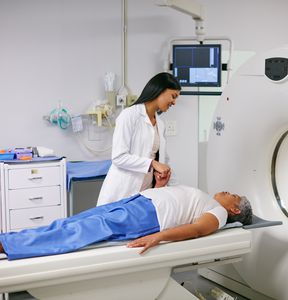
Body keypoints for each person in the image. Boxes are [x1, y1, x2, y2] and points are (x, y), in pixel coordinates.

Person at [0, 174, 253, 260]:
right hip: (141, 203)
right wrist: (160, 185)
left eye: (233, 195)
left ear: (234, 210)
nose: (228, 192)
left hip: (147, 217)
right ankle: (11, 240)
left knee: (81, 230)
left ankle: (10, 245)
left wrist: (158, 237)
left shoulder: (218, 214)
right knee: (75, 222)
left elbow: (197, 230)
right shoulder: (207, 200)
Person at [97, 72, 181, 206]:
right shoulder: (129, 115)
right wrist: (152, 163)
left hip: (145, 193)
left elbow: (165, 160)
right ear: (160, 90)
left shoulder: (160, 124)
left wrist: (177, 191)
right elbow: (118, 157)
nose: (174, 102)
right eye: (173, 96)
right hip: (122, 193)